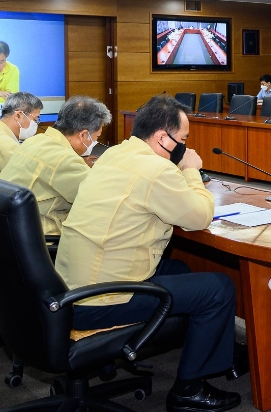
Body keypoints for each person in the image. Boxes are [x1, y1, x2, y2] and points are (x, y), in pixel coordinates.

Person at [55, 94, 242, 412]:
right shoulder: (157, 170)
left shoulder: (114, 154)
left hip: (69, 287)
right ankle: (188, 389)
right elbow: (199, 217)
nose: (184, 146)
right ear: (162, 138)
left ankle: (198, 351)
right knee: (219, 289)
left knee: (180, 270)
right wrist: (192, 170)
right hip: (100, 300)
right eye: (182, 140)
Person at [0, 96, 110, 235]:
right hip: (40, 238)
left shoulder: (35, 140)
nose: (95, 142)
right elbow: (101, 199)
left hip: (10, 229)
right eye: (97, 137)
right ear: (83, 135)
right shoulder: (65, 159)